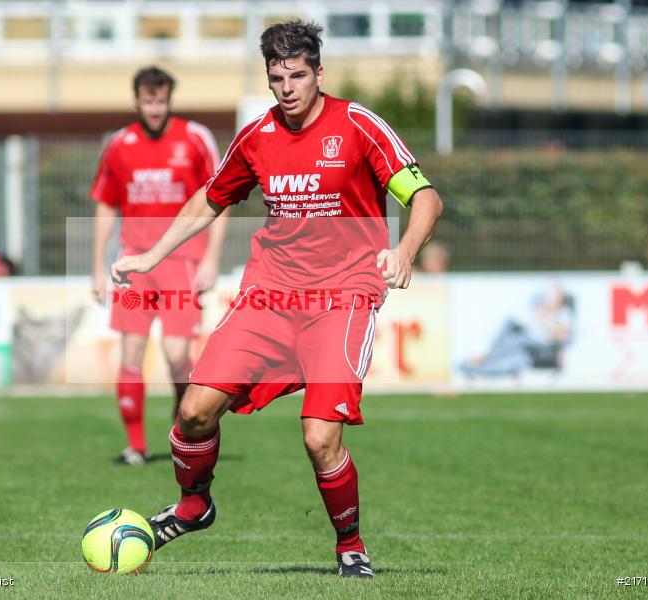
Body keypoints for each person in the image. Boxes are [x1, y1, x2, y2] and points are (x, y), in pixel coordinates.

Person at [111, 21, 443, 578]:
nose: (287, 87)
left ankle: (350, 545)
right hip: (268, 296)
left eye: (297, 75)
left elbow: (426, 197)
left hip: (343, 298)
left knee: (319, 437)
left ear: (318, 73)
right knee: (192, 411)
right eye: (276, 78)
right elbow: (211, 198)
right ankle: (195, 505)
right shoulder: (257, 136)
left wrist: (406, 249)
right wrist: (150, 256)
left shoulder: (358, 125)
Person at [91, 65, 227, 466]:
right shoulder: (120, 144)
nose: (155, 109)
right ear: (137, 100)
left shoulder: (194, 138)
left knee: (175, 354)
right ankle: (136, 446)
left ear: (170, 100)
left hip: (182, 261)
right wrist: (97, 266)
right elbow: (105, 204)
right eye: (148, 101)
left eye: (162, 101)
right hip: (134, 262)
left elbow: (220, 197)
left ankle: (184, 429)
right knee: (130, 352)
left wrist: (211, 258)